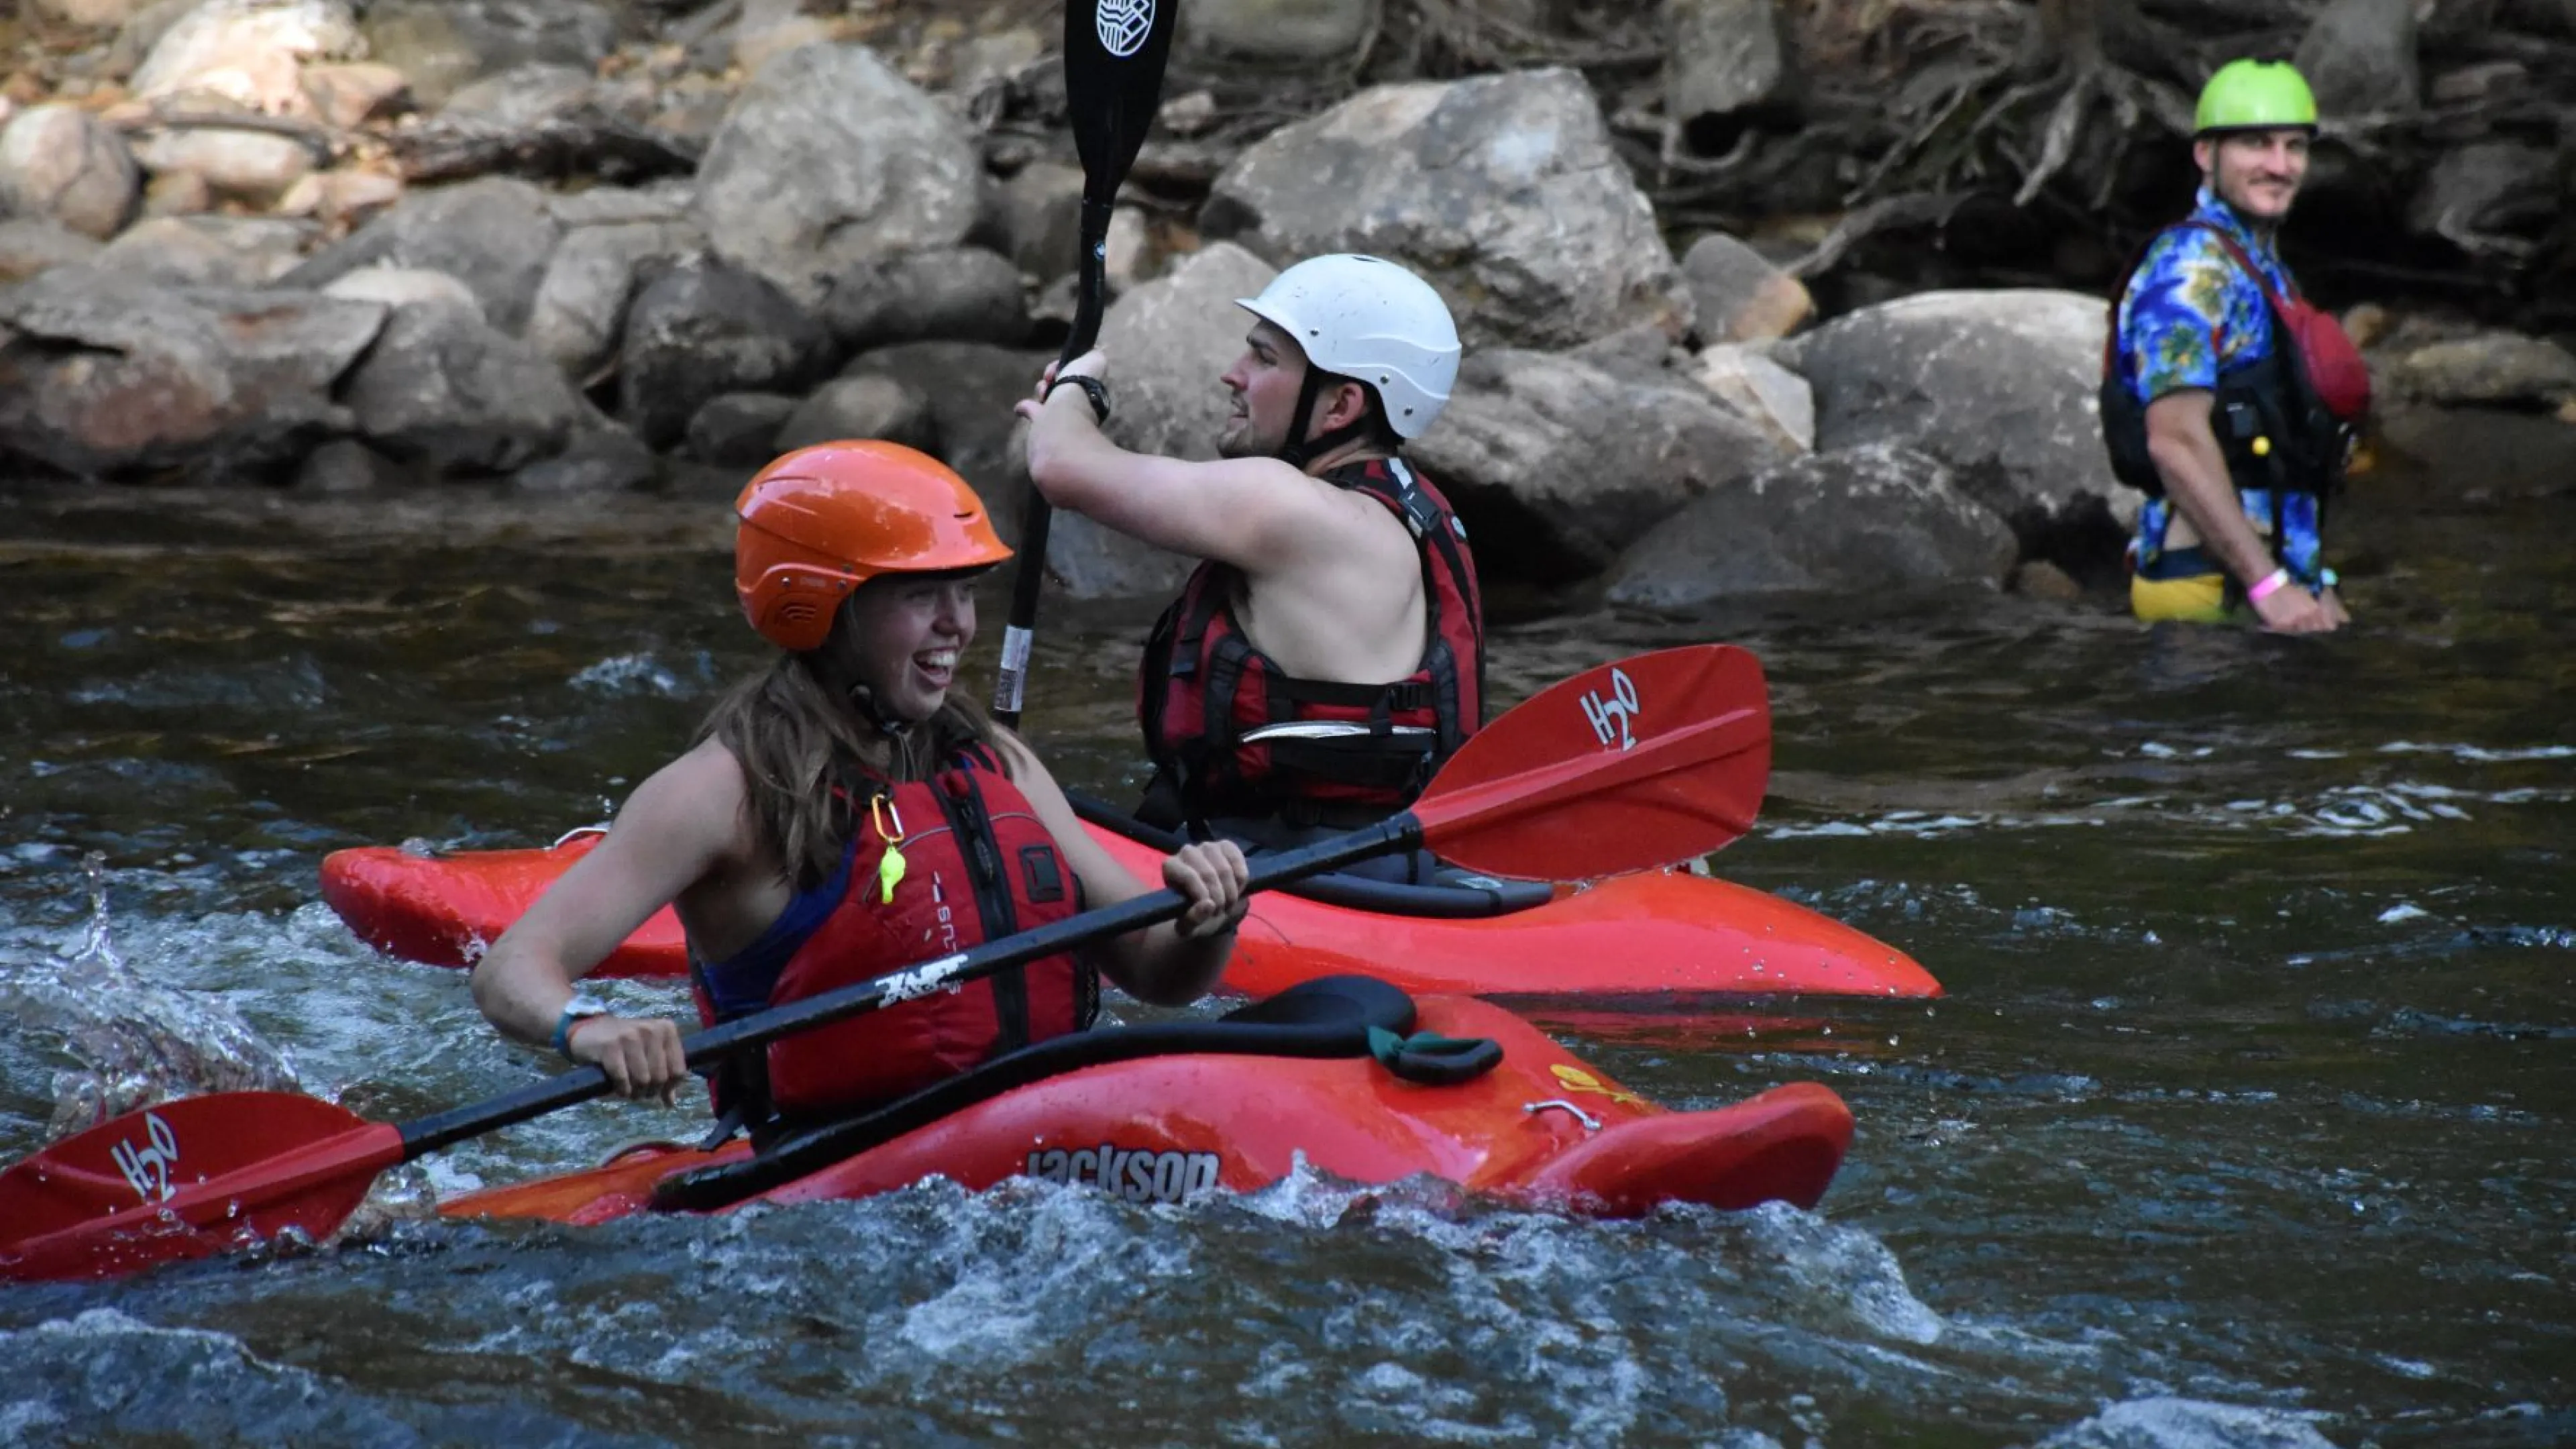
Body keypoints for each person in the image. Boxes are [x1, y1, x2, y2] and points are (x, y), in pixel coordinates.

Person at [470, 441, 1250, 1123]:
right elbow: (512, 969)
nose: (958, 625)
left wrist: (1210, 917)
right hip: (829, 1172)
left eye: (965, 591)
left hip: (1041, 1141)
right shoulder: (722, 793)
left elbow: (1156, 972)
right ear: (821, 605)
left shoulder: (996, 761)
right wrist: (589, 1027)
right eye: (922, 595)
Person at [1017, 254, 1486, 875]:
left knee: (1008, 775)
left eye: (1264, 359)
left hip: (1294, 874)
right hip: (1367, 858)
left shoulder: (1293, 509)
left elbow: (1059, 466)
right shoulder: (1410, 510)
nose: (1231, 375)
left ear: (1341, 405)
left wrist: (1079, 388)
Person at [2101, 58, 2373, 633]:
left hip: (2265, 581)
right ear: (2206, 155)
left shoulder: (2259, 267)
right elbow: (2175, 441)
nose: (2279, 165)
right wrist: (2268, 586)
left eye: (2294, 147)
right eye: (2256, 144)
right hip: (2207, 587)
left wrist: (2312, 580)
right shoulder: (2189, 272)